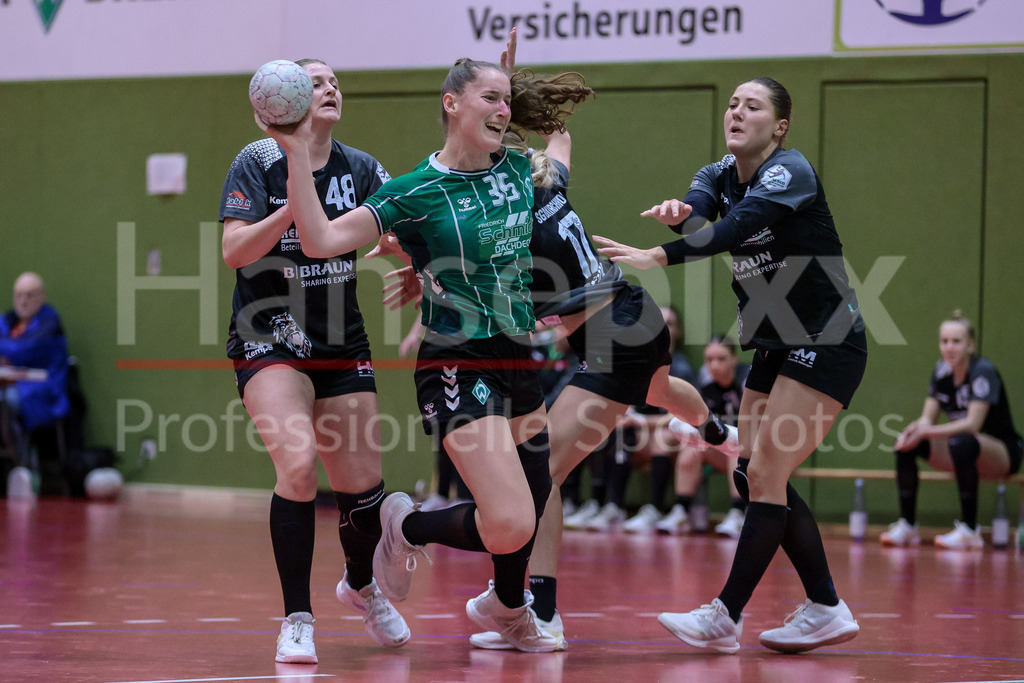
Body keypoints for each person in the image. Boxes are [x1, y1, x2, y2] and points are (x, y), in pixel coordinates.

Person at [269, 52, 563, 653]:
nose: (504, 110)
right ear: (450, 104)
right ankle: (403, 525)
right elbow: (323, 239)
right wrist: (297, 153)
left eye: (508, 101)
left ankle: (509, 612)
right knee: (509, 521)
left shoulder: (519, 169)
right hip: (457, 358)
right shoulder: (415, 191)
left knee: (533, 499)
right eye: (489, 97)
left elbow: (559, 137)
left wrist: (515, 85)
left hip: (518, 351)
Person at [595, 76, 868, 654]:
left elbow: (736, 228)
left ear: (781, 125)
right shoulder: (718, 172)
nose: (738, 112)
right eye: (733, 104)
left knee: (766, 473)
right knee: (751, 474)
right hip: (775, 343)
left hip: (827, 338)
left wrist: (660, 253)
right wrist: (678, 215)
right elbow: (702, 211)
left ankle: (725, 616)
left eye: (754, 106)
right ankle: (824, 604)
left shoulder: (789, 172)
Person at [218, 58, 409, 664]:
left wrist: (409, 259)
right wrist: (298, 208)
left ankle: (360, 586)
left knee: (362, 488)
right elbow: (234, 252)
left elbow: (396, 229)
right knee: (299, 465)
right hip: (268, 338)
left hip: (340, 341)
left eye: (335, 81)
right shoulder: (256, 160)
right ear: (289, 96)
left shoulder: (363, 167)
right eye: (317, 81)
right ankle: (297, 618)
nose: (332, 88)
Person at [882, 311, 1022, 549]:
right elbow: (928, 418)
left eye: (956, 341)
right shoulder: (941, 372)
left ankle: (970, 531)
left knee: (962, 441)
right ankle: (908, 525)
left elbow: (972, 425)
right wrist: (915, 429)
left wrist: (925, 432)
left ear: (970, 346)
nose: (949, 347)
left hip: (1002, 452)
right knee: (907, 443)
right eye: (944, 341)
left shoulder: (982, 371)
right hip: (963, 452)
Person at [657, 334, 750, 537]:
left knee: (737, 447)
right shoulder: (704, 384)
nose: (714, 365)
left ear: (734, 359)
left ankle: (738, 513)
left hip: (754, 450)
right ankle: (681, 510)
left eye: (721, 359)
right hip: (722, 449)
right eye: (709, 359)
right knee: (692, 447)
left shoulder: (747, 380)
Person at [1, 272, 70, 495]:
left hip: (43, 392)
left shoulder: (50, 323)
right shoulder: (8, 321)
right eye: (19, 295)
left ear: (42, 296)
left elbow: (24, 350)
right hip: (11, 385)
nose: (23, 300)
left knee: (7, 401)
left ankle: (23, 468)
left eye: (30, 295)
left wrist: (10, 351)